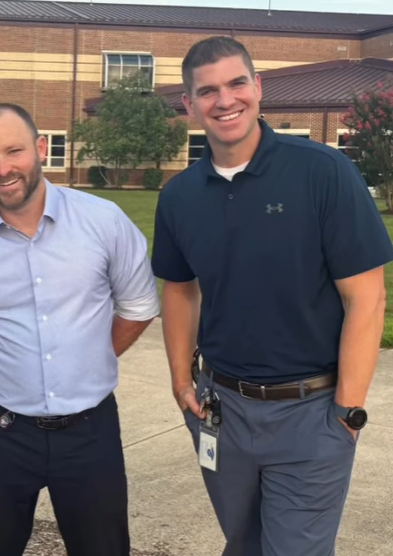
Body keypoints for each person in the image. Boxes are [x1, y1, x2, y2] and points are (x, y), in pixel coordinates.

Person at [151, 35, 393, 556]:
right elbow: (179, 288)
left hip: (310, 412)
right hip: (220, 410)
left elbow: (367, 300)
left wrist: (347, 414)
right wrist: (178, 380)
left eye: (237, 83)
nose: (226, 100)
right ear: (190, 105)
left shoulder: (323, 172)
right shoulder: (179, 196)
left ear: (258, 88)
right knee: (243, 543)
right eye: (208, 91)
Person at [0, 102, 160, 556]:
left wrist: (92, 356)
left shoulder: (103, 220)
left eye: (13, 151)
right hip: (3, 431)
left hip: (91, 431)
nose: (2, 168)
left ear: (41, 148)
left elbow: (138, 306)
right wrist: (12, 365)